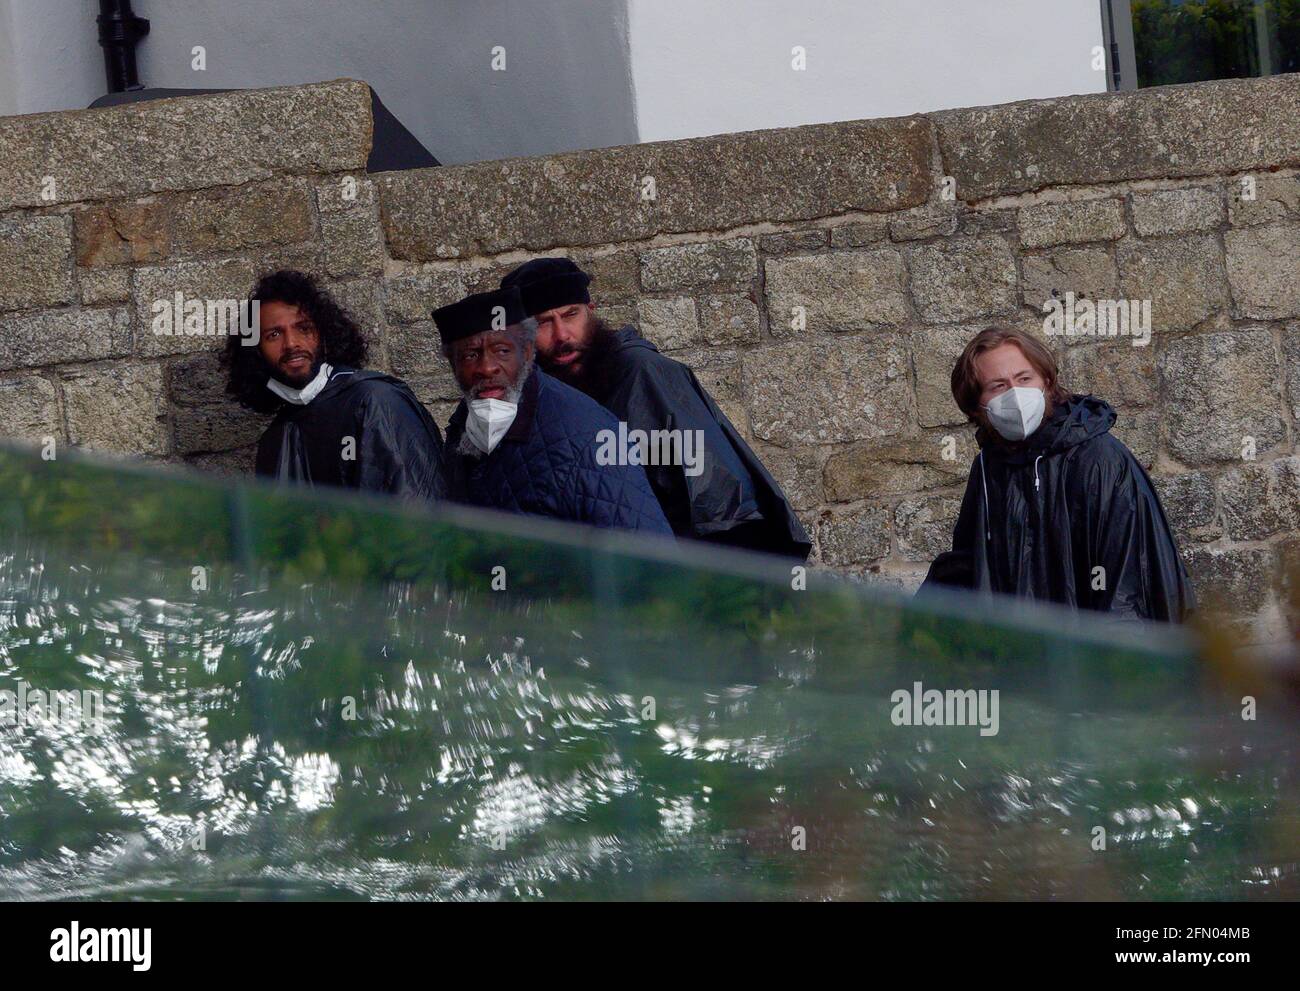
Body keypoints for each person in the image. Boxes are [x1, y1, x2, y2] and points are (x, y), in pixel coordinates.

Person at [500, 258, 810, 560]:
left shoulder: (644, 374)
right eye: (542, 323)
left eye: (571, 315)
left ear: (590, 313)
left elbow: (719, 502)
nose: (562, 335)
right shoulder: (530, 399)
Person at [920, 326, 1194, 621]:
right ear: (977, 407)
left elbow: (1126, 585)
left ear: (1047, 383)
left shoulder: (1099, 461)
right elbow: (972, 568)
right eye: (998, 386)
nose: (1015, 394)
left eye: (1024, 379)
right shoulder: (989, 469)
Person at [432, 285, 673, 535]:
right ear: (453, 365)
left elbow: (645, 552)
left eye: (502, 351)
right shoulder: (464, 426)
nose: (487, 368)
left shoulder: (585, 435)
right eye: (470, 356)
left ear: (526, 353)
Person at [224, 269, 447, 502]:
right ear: (256, 351)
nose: (291, 344)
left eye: (303, 328)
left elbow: (419, 514)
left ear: (324, 333)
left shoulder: (374, 401)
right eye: (274, 335)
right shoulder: (276, 439)